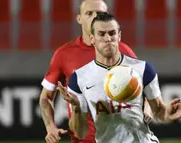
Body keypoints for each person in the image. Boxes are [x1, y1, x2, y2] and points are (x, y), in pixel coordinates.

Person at [57, 13, 181, 143]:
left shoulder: (142, 69)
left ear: (119, 36)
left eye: (112, 33)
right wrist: (76, 107)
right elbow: (80, 133)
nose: (108, 39)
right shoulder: (79, 78)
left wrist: (168, 113)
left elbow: (159, 111)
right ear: (92, 39)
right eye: (101, 34)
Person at [39, 0, 141, 143]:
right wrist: (50, 127)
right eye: (89, 13)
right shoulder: (64, 54)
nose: (94, 17)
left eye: (99, 13)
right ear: (79, 19)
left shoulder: (122, 50)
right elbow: (45, 97)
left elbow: (143, 86)